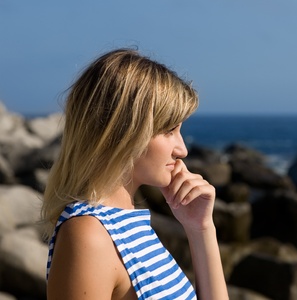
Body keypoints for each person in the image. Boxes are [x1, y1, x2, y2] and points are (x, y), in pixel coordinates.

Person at [41, 48, 229, 300]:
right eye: (169, 130)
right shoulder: (89, 236)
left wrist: (201, 229)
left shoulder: (128, 224)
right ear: (123, 132)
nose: (182, 149)